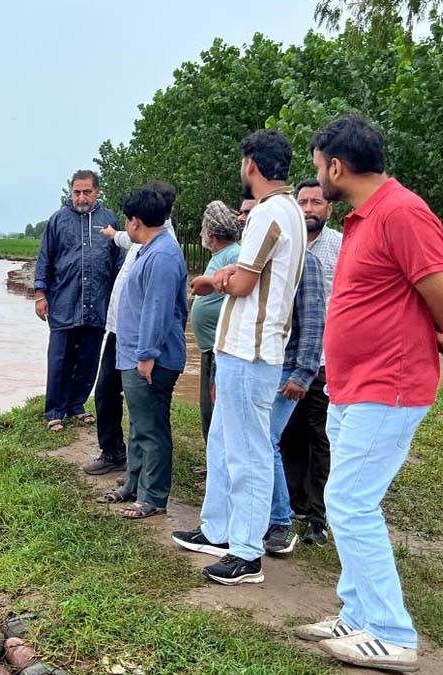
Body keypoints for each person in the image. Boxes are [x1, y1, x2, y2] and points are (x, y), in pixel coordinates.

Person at [293, 115, 443, 673]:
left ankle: (393, 634)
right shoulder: (366, 217)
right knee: (348, 500)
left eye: (319, 165)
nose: (318, 175)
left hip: (387, 386)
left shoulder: (403, 212)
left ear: (336, 167)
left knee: (349, 501)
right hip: (353, 386)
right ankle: (358, 615)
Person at [171, 130, 306, 586]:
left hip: (252, 349)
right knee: (223, 443)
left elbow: (246, 283)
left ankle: (247, 553)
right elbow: (251, 272)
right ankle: (217, 530)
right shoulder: (288, 212)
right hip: (242, 348)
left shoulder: (270, 212)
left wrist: (219, 280)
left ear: (251, 164)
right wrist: (230, 275)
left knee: (247, 451)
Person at [95, 187, 187, 519]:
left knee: (152, 428)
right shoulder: (151, 248)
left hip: (149, 358)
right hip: (135, 354)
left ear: (135, 221)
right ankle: (133, 484)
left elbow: (158, 311)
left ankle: (153, 496)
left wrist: (147, 354)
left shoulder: (162, 255)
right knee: (138, 424)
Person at [84, 181, 177, 475]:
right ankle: (119, 458)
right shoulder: (144, 240)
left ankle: (145, 482)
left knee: (143, 410)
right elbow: (125, 238)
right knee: (109, 392)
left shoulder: (162, 248)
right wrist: (113, 235)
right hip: (119, 331)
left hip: (138, 339)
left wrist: (147, 352)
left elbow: (157, 307)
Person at [33, 170, 123, 432]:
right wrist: (40, 294)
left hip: (97, 302)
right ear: (71, 193)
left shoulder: (108, 220)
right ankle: (54, 410)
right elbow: (44, 259)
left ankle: (77, 404)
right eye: (77, 192)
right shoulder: (58, 220)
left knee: (88, 357)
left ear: (97, 192)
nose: (81, 197)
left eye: (87, 192)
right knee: (60, 358)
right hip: (64, 301)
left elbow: (117, 262)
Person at [278, 177, 342, 547]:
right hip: (288, 357)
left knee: (321, 437)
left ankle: (319, 516)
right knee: (289, 434)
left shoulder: (341, 246)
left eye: (316, 202)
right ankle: (292, 502)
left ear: (329, 208)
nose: (308, 209)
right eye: (302, 202)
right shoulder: (289, 245)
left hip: (326, 361)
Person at [262, 252, 325, 555]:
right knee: (256, 442)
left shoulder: (304, 261)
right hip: (257, 363)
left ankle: (280, 521)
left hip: (286, 366)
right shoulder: (257, 255)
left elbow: (313, 321)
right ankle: (260, 514)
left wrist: (304, 372)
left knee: (266, 441)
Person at [188, 201, 241, 442]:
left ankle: (220, 468)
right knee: (208, 408)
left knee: (217, 407)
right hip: (211, 347)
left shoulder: (234, 255)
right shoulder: (220, 255)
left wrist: (206, 282)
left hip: (223, 349)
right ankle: (212, 464)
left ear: (210, 233)